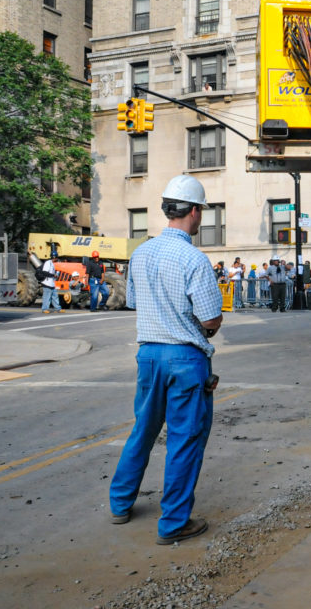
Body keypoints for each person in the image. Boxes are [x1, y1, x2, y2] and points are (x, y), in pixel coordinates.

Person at [109, 174, 223, 546]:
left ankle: (121, 503)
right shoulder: (194, 259)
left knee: (142, 429)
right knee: (184, 440)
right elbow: (209, 320)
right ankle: (173, 523)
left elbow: (135, 303)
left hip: (149, 355)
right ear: (194, 212)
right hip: (185, 359)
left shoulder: (140, 253)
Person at [40, 249, 62, 314]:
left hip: (52, 283)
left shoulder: (52, 264)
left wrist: (55, 275)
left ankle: (58, 308)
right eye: (57, 257)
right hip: (47, 283)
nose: (57, 259)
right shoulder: (48, 263)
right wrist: (53, 275)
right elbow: (44, 273)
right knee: (47, 297)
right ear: (54, 257)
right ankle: (44, 309)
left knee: (55, 296)